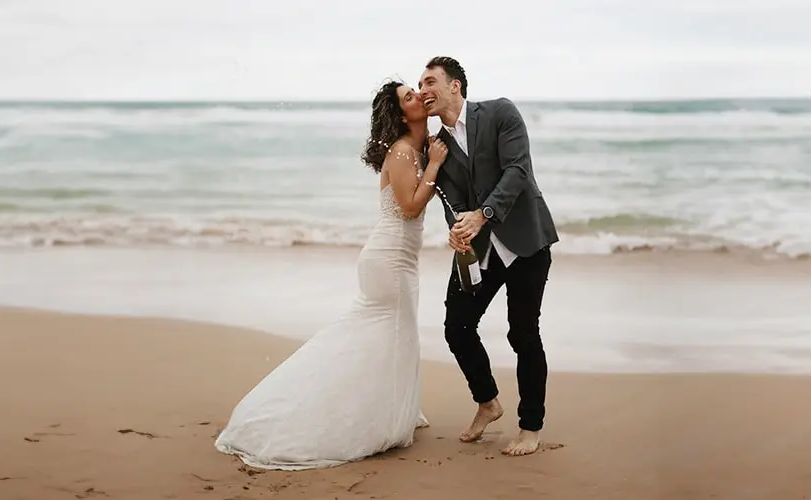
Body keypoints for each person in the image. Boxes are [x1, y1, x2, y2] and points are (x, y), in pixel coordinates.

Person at [213, 81, 449, 470]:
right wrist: (436, 166)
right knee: (385, 333)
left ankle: (390, 409)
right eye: (408, 97)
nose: (417, 97)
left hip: (397, 258)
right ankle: (355, 416)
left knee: (394, 335)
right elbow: (409, 208)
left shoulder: (419, 148)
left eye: (415, 92)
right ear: (401, 114)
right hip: (389, 259)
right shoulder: (405, 152)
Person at [418, 56, 559, 457]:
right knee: (457, 327)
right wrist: (457, 227)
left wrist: (482, 215)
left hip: (527, 243)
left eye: (431, 82)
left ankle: (530, 427)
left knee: (522, 333)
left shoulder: (500, 112)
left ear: (455, 86)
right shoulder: (438, 147)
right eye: (420, 84)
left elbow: (518, 171)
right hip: (478, 249)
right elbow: (451, 200)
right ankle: (488, 402)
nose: (423, 90)